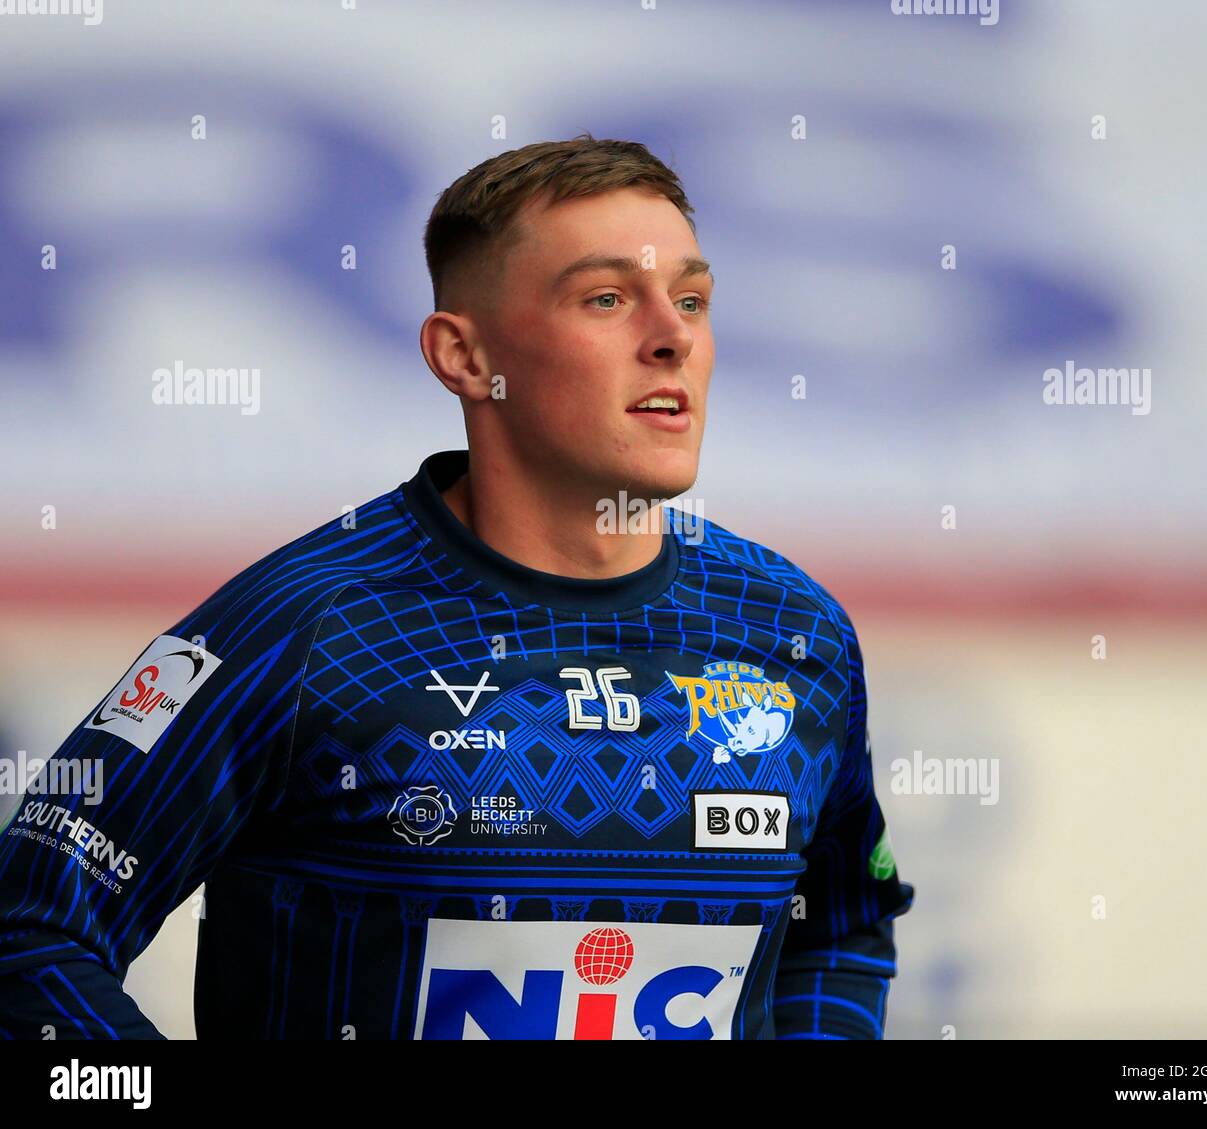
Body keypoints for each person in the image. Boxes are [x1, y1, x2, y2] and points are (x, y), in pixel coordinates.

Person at [0, 134, 914, 1040]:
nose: (673, 338)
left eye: (691, 300)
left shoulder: (793, 633)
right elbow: (31, 933)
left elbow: (839, 928)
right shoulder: (303, 626)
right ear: (466, 358)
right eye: (606, 299)